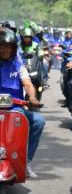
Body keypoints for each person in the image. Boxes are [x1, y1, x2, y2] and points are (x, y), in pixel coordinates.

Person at [0, 27, 45, 178]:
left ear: (13, 49)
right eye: (2, 46)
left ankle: (26, 160)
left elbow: (27, 84)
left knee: (38, 120)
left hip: (15, 108)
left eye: (8, 47)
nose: (5, 50)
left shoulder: (18, 65)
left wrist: (31, 98)